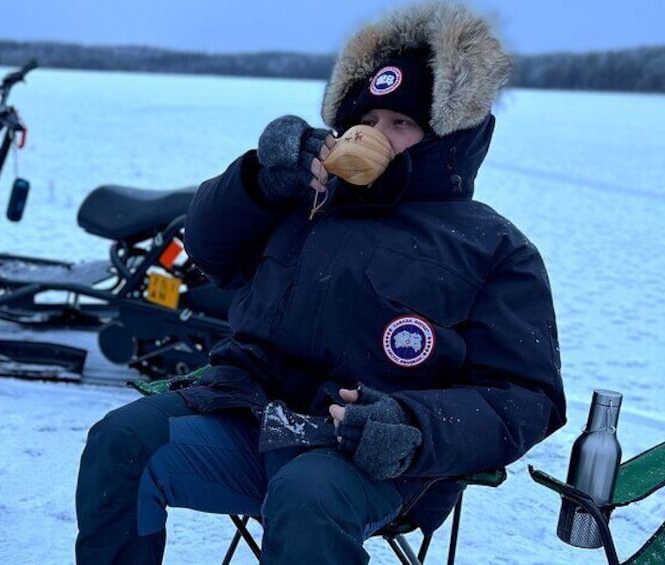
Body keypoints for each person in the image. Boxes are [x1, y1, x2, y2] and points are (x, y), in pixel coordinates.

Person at [75, 1, 567, 563]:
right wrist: (258, 179)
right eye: (369, 119)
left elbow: (529, 398)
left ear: (446, 136)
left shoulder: (494, 248)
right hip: (249, 414)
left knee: (306, 496)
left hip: (373, 456)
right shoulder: (306, 198)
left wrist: (413, 426)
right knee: (120, 443)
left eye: (401, 123)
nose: (377, 134)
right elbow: (208, 248)